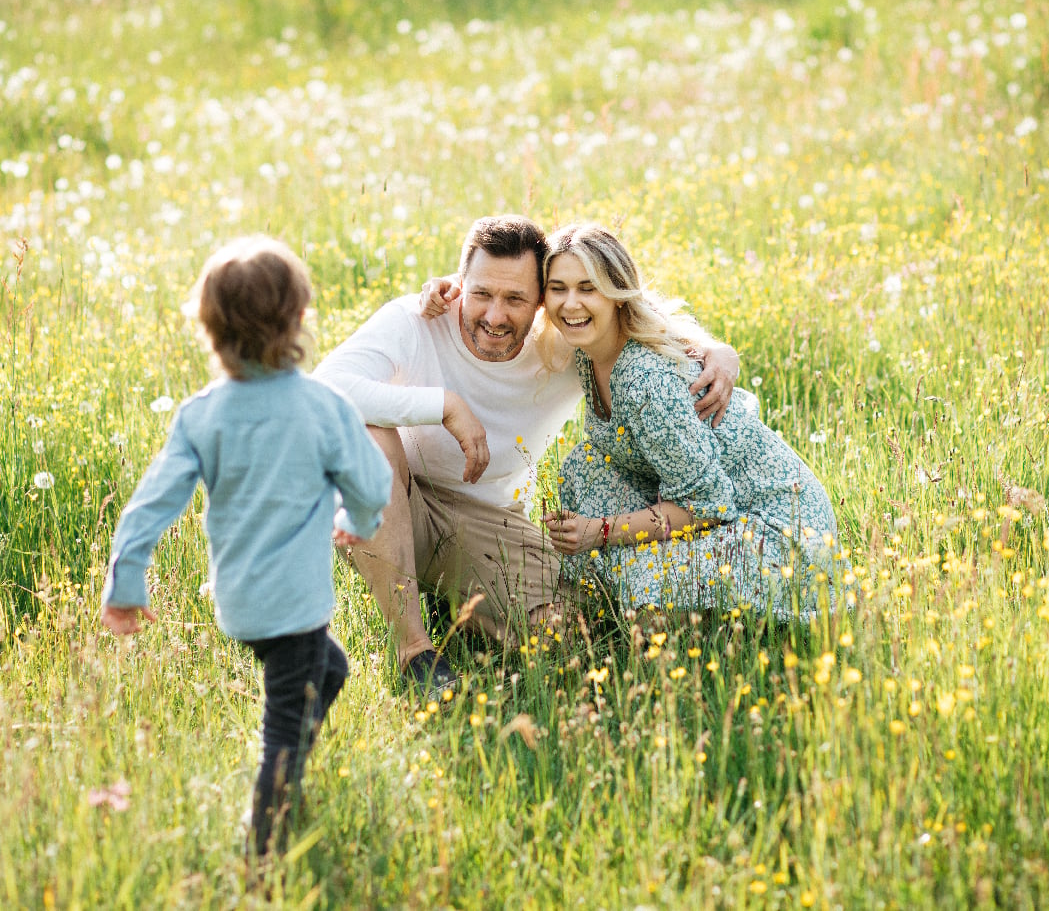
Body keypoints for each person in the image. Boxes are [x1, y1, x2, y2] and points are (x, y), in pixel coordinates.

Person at [313, 215, 740, 696]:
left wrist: (716, 349)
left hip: (486, 520)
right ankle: (414, 650)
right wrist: (444, 405)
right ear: (460, 283)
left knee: (567, 635)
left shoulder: (562, 344)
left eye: (515, 299)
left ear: (541, 301)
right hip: (397, 494)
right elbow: (323, 390)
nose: (495, 316)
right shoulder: (416, 320)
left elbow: (632, 319)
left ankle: (449, 592)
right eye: (481, 294)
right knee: (365, 433)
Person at [99, 236, 392, 858]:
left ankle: (285, 787)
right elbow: (373, 483)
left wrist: (125, 589)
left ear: (207, 327)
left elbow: (147, 508)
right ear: (299, 320)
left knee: (331, 671)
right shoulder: (322, 407)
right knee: (284, 727)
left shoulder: (202, 416)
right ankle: (266, 850)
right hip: (296, 605)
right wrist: (358, 521)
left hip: (239, 602)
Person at [538, 223, 837, 619]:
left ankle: (704, 629)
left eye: (588, 288)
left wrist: (602, 530)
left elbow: (709, 505)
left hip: (778, 527)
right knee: (586, 467)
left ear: (617, 295)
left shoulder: (644, 379)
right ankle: (611, 604)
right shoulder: (589, 348)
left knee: (640, 579)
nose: (571, 303)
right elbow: (504, 290)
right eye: (558, 288)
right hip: (716, 505)